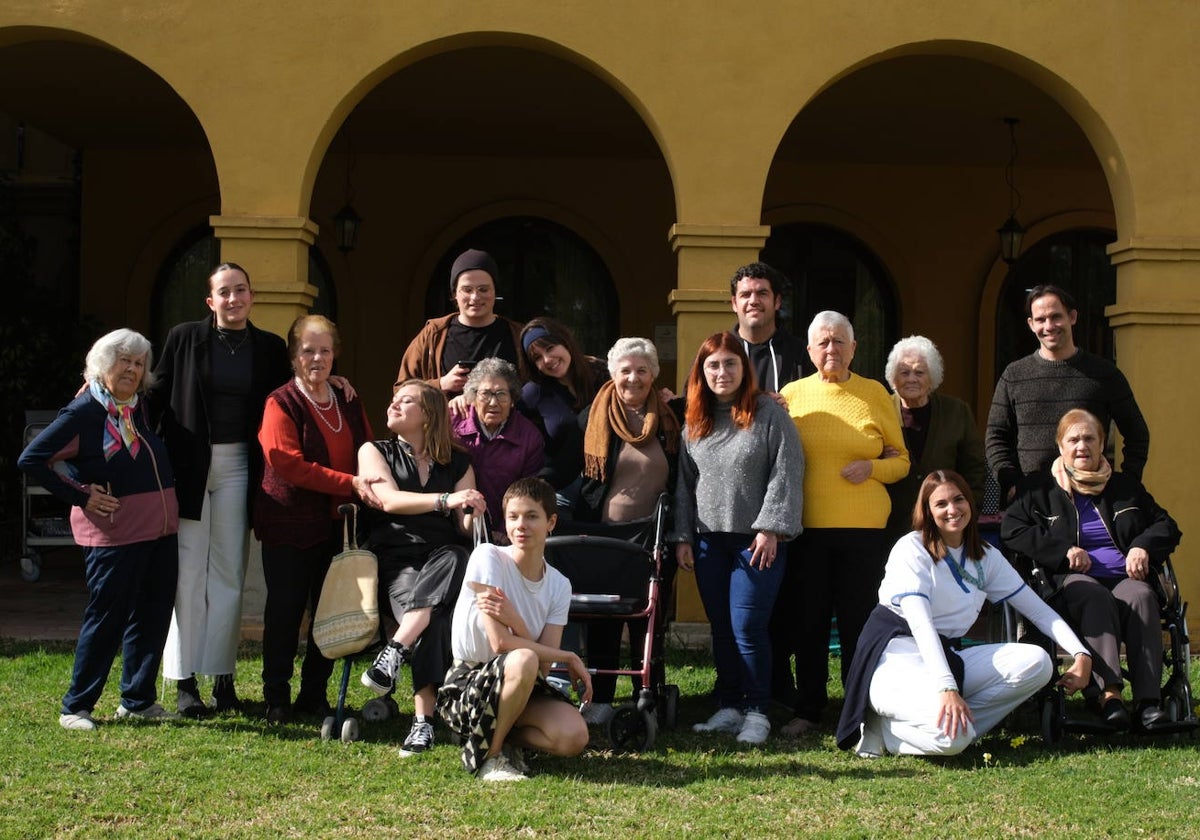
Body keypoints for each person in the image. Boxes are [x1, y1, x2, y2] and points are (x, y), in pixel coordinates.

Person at [836, 470, 1092, 757]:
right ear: (928, 512)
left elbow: (1038, 610)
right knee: (953, 740)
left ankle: (955, 725)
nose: (952, 510)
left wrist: (1081, 654)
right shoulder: (911, 548)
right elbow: (921, 625)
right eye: (941, 504)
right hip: (894, 658)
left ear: (970, 503)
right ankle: (882, 728)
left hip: (946, 655)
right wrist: (946, 687)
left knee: (1038, 662)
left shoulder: (986, 556)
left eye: (959, 500)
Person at [149, 262, 291, 715]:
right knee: (188, 574)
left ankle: (222, 679)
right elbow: (154, 392)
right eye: (224, 293)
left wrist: (338, 383)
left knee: (229, 574)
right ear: (210, 301)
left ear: (252, 296)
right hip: (189, 466)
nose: (234, 299)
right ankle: (184, 680)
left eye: (241, 291)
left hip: (239, 466)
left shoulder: (270, 348)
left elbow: (291, 397)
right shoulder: (184, 337)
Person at [19, 329, 180, 729]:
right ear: (101, 365)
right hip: (114, 533)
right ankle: (75, 707)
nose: (131, 369)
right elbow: (32, 459)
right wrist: (81, 495)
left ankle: (137, 699)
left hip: (158, 530)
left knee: (152, 613)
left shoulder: (136, 408)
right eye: (122, 360)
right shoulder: (84, 412)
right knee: (107, 617)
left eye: (139, 363)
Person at [1001, 409, 1181, 731]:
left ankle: (1148, 703)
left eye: (1089, 438)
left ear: (1101, 446)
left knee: (1141, 595)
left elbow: (1166, 525)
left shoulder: (1125, 487)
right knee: (1093, 594)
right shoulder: (1039, 489)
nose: (1081, 445)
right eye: (1073, 439)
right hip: (1070, 582)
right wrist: (1062, 552)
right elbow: (1012, 529)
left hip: (1124, 578)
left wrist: (1142, 546)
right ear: (1061, 446)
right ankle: (1109, 697)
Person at [776, 310, 910, 736]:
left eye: (839, 342)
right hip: (807, 528)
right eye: (823, 343)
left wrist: (871, 468)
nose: (831, 349)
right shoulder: (791, 394)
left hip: (865, 530)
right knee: (809, 622)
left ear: (854, 348)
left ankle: (859, 708)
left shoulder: (875, 394)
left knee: (858, 623)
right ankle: (809, 709)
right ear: (811, 350)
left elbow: (902, 461)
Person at [672, 333, 804, 745]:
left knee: (747, 626)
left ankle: (757, 712)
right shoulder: (695, 420)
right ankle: (728, 706)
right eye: (713, 365)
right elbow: (683, 484)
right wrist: (682, 536)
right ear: (702, 372)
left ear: (743, 369)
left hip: (756, 541)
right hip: (710, 541)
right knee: (722, 630)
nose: (722, 372)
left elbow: (788, 470)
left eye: (730, 364)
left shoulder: (768, 413)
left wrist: (771, 528)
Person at [253, 315, 375, 724]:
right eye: (308, 350)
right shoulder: (280, 402)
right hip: (289, 525)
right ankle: (276, 698)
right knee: (286, 613)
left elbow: (368, 450)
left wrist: (371, 485)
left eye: (325, 350)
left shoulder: (347, 398)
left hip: (338, 526)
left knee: (330, 613)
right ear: (293, 355)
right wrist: (352, 484)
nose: (317, 358)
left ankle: (314, 695)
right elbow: (285, 463)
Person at [357, 379, 487, 757]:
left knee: (456, 555)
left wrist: (471, 509)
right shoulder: (374, 450)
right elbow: (389, 501)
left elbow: (464, 529)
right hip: (398, 562)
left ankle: (396, 652)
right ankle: (423, 722)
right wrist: (448, 499)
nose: (393, 405)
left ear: (428, 416)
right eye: (393, 399)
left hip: (445, 560)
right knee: (438, 617)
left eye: (405, 401)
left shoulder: (458, 461)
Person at [437, 477, 592, 782]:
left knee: (574, 737)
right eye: (513, 517)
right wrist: (570, 657)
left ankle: (502, 736)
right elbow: (499, 643)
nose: (521, 525)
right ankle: (489, 757)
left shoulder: (559, 585)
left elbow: (544, 668)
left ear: (551, 522)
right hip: (467, 686)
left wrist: (516, 621)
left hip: (523, 685)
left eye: (532, 516)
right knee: (522, 658)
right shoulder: (488, 557)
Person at [573, 337, 682, 724]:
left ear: (653, 374)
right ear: (613, 374)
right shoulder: (591, 417)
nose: (633, 378)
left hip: (654, 537)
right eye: (625, 370)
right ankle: (599, 697)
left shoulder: (671, 418)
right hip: (605, 535)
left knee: (649, 618)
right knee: (604, 620)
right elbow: (570, 470)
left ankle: (646, 692)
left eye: (641, 370)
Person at [986, 284, 1150, 502]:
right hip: (1032, 499)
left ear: (1072, 317)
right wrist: (1012, 483)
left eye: (1056, 317)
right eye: (1041, 320)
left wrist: (1127, 482)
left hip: (1092, 498)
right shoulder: (1014, 375)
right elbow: (996, 438)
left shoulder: (1104, 374)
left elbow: (1137, 434)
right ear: (1031, 324)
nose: (1049, 326)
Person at [884, 335, 985, 540]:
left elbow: (974, 468)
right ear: (893, 379)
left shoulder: (957, 411)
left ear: (932, 378)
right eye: (904, 372)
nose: (911, 378)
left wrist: (964, 511)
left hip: (944, 525)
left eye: (920, 372)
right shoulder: (879, 409)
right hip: (889, 525)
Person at [394, 248, 527, 396]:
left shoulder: (517, 335)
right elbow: (401, 390)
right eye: (467, 290)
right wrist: (441, 384)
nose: (475, 297)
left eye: (483, 289)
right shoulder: (434, 335)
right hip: (446, 419)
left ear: (495, 292)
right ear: (454, 294)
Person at [518, 316, 609, 505]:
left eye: (550, 348)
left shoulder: (603, 375)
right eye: (537, 357)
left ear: (565, 342)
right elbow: (503, 415)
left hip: (608, 482)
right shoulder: (534, 392)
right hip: (561, 488)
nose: (547, 360)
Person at [452, 358, 545, 530]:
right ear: (472, 397)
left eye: (501, 394)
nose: (493, 403)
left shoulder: (529, 437)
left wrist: (504, 530)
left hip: (505, 532)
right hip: (453, 529)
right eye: (485, 394)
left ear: (512, 399)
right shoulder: (452, 423)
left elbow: (528, 492)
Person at [727, 261, 810, 395]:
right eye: (746, 294)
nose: (753, 301)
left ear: (777, 302)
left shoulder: (800, 354)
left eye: (762, 293)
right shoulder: (718, 352)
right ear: (734, 303)